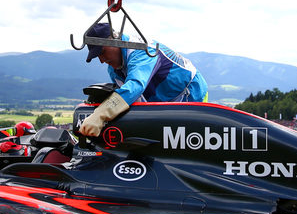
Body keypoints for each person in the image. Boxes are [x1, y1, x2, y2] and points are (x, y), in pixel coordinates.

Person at [79, 22, 207, 136]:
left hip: (190, 92)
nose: (101, 60)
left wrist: (100, 114)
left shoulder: (141, 50)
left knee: (178, 140)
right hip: (163, 101)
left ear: (114, 40)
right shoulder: (113, 69)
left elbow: (135, 86)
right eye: (97, 56)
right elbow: (127, 99)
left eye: (101, 52)